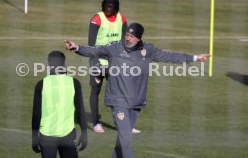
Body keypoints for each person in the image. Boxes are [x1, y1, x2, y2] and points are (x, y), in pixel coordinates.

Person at [64, 22, 210, 158]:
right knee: (126, 137)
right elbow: (95, 50)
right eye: (127, 35)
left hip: (136, 102)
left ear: (139, 38)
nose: (128, 38)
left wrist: (195, 58)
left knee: (122, 141)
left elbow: (169, 56)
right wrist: (76, 48)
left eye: (132, 36)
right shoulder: (114, 47)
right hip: (118, 100)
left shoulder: (148, 50)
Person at [31, 51, 87, 158]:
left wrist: (34, 137)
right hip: (68, 136)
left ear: (48, 64)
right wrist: (84, 133)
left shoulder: (41, 84)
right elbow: (80, 110)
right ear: (64, 63)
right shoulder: (74, 83)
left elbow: (36, 114)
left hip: (47, 136)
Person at [88, 0, 130, 133]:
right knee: (96, 91)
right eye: (106, 5)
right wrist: (94, 63)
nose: (108, 8)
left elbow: (126, 41)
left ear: (116, 7)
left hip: (115, 63)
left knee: (117, 93)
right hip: (98, 62)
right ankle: (95, 123)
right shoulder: (97, 19)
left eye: (111, 6)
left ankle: (121, 123)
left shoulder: (122, 19)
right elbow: (91, 43)